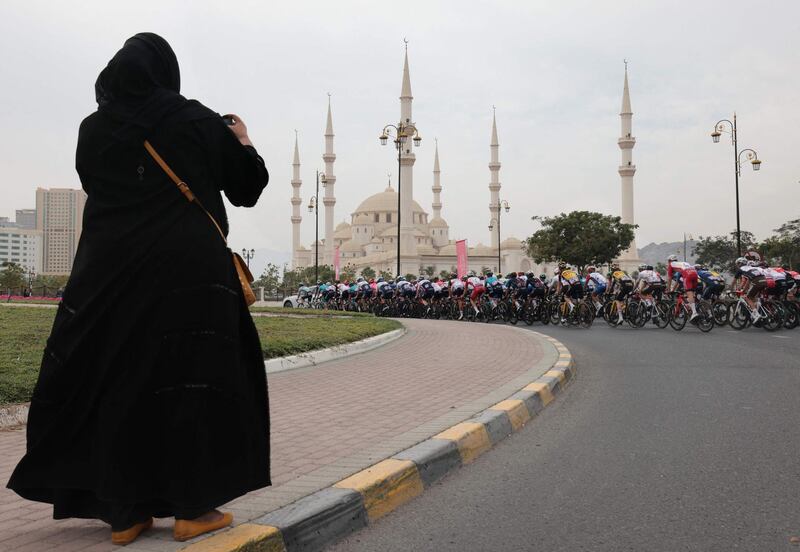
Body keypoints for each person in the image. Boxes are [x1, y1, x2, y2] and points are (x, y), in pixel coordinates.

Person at [7, 34, 271, 545]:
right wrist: (241, 141)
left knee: (118, 380)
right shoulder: (194, 119)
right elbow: (248, 188)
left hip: (110, 273)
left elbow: (98, 183)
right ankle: (193, 509)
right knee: (192, 380)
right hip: (189, 276)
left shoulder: (93, 130)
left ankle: (125, 512)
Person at [665, 254, 699, 321]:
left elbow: (669, 279)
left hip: (688, 274)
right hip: (695, 274)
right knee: (691, 294)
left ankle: (694, 313)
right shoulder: (683, 263)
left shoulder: (671, 265)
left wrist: (668, 290)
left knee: (689, 293)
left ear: (669, 261)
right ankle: (697, 307)